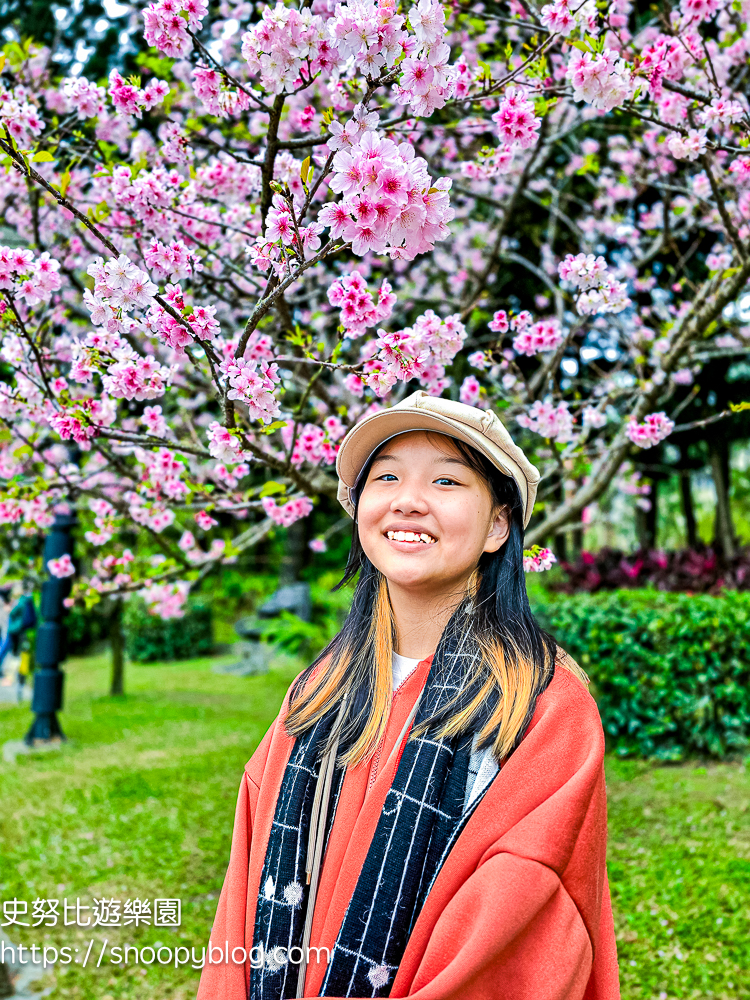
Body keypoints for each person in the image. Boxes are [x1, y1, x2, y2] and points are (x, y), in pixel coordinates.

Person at [197, 390, 620, 1000]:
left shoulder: (541, 703)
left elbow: (521, 921)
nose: (409, 502)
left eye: (447, 481)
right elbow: (243, 889)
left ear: (499, 523)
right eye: (387, 477)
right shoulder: (318, 694)